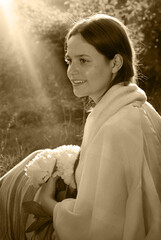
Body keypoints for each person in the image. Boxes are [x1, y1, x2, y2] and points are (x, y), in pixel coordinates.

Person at [0, 13, 161, 240]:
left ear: (115, 63)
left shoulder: (115, 129)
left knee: (14, 195)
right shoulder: (141, 107)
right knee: (31, 163)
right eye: (69, 60)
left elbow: (100, 229)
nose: (71, 71)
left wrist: (50, 205)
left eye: (83, 60)